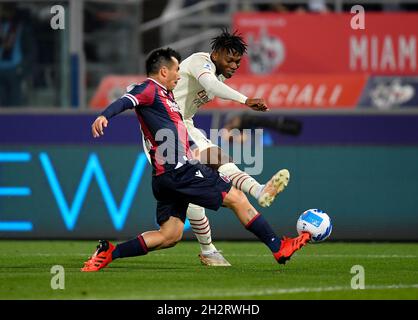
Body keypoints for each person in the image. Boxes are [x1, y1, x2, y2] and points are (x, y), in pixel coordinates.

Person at [81, 47, 310, 272]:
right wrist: (104, 115)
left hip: (165, 177)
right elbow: (127, 100)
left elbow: (178, 129)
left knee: (169, 235)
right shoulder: (151, 89)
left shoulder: (169, 99)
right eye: (176, 70)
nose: (180, 75)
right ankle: (277, 246)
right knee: (237, 198)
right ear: (163, 72)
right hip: (179, 171)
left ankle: (109, 252)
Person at [162, 29, 290, 266]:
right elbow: (209, 85)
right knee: (184, 205)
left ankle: (258, 191)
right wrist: (245, 100)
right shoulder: (201, 62)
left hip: (184, 125)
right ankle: (209, 249)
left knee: (210, 166)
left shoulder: (218, 74)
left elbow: (212, 86)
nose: (233, 65)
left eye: (238, 62)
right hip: (162, 133)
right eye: (229, 60)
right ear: (216, 54)